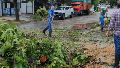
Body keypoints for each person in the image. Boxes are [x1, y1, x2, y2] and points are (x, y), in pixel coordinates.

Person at [106, 0, 120, 67]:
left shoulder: (115, 12)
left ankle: (116, 64)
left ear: (117, 5)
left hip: (117, 34)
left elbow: (111, 25)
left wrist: (108, 32)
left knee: (118, 48)